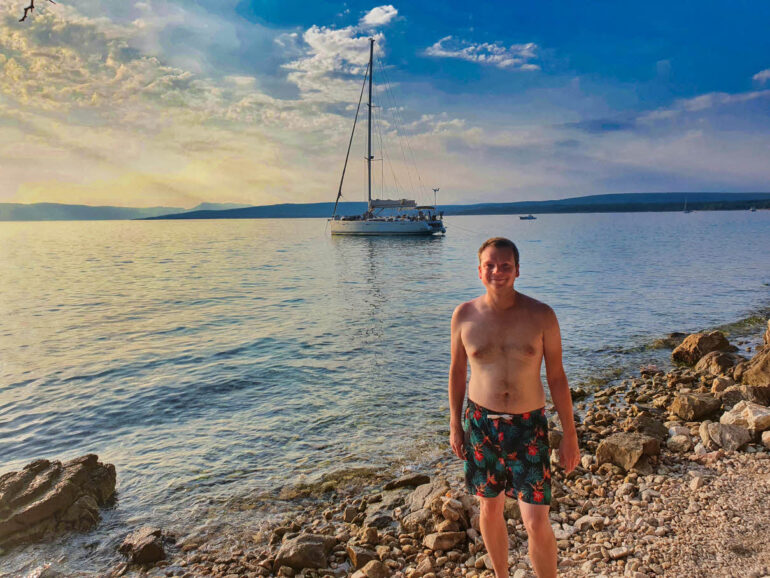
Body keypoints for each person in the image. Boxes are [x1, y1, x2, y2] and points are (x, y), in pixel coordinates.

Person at [448, 237, 580, 578]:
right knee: (489, 509)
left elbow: (557, 377)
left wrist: (570, 435)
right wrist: (454, 425)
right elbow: (457, 373)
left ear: (517, 270)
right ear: (479, 271)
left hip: (529, 428)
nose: (498, 271)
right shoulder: (464, 315)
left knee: (536, 519)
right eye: (490, 265)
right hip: (480, 425)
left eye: (505, 265)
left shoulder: (541, 315)